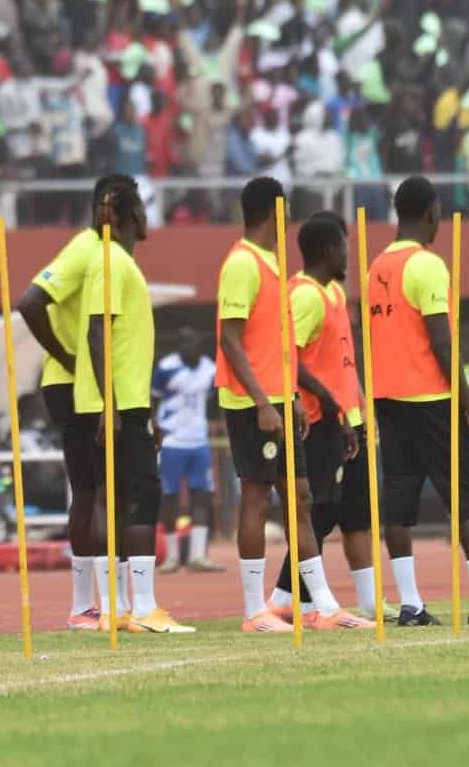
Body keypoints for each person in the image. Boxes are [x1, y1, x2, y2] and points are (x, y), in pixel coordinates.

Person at [367, 176, 469, 626]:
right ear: (433, 213)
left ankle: (411, 605)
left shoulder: (376, 265)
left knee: (398, 499)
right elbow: (441, 341)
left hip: (387, 398)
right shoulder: (427, 265)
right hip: (431, 398)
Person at [215, 178, 362, 633]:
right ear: (272, 212)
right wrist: (263, 401)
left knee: (300, 497)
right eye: (287, 210)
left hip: (279, 400)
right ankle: (253, 610)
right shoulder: (242, 264)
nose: (291, 220)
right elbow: (230, 339)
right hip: (249, 401)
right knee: (257, 499)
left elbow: (277, 344)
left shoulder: (272, 266)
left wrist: (291, 398)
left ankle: (322, 604)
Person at [16, 175, 135, 629]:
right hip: (72, 385)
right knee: (97, 491)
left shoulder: (107, 256)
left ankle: (104, 602)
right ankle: (93, 603)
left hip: (86, 384)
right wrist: (63, 354)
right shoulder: (85, 250)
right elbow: (30, 301)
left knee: (101, 490)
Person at [83, 176, 194, 635]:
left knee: (126, 498)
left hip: (131, 402)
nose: (150, 219)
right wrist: (111, 404)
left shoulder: (122, 263)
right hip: (119, 405)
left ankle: (120, 608)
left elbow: (126, 346)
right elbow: (97, 333)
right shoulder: (111, 261)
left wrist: (145, 408)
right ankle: (142, 607)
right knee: (139, 499)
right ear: (131, 217)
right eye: (145, 210)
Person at [274, 212, 385, 620]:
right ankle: (295, 600)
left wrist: (356, 403)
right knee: (319, 510)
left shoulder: (334, 295)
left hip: (347, 416)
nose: (349, 257)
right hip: (321, 419)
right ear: (327, 252)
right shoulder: (303, 295)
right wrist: (328, 401)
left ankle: (364, 601)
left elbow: (342, 360)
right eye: (344, 249)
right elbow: (290, 356)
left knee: (354, 512)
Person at [152, 327, 218, 575]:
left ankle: (198, 555)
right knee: (169, 496)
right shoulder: (167, 367)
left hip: (198, 440)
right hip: (172, 440)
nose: (185, 346)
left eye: (189, 342)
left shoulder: (209, 369)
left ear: (198, 344)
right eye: (181, 342)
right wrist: (155, 429)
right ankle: (171, 556)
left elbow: (211, 401)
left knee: (201, 494)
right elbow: (154, 399)